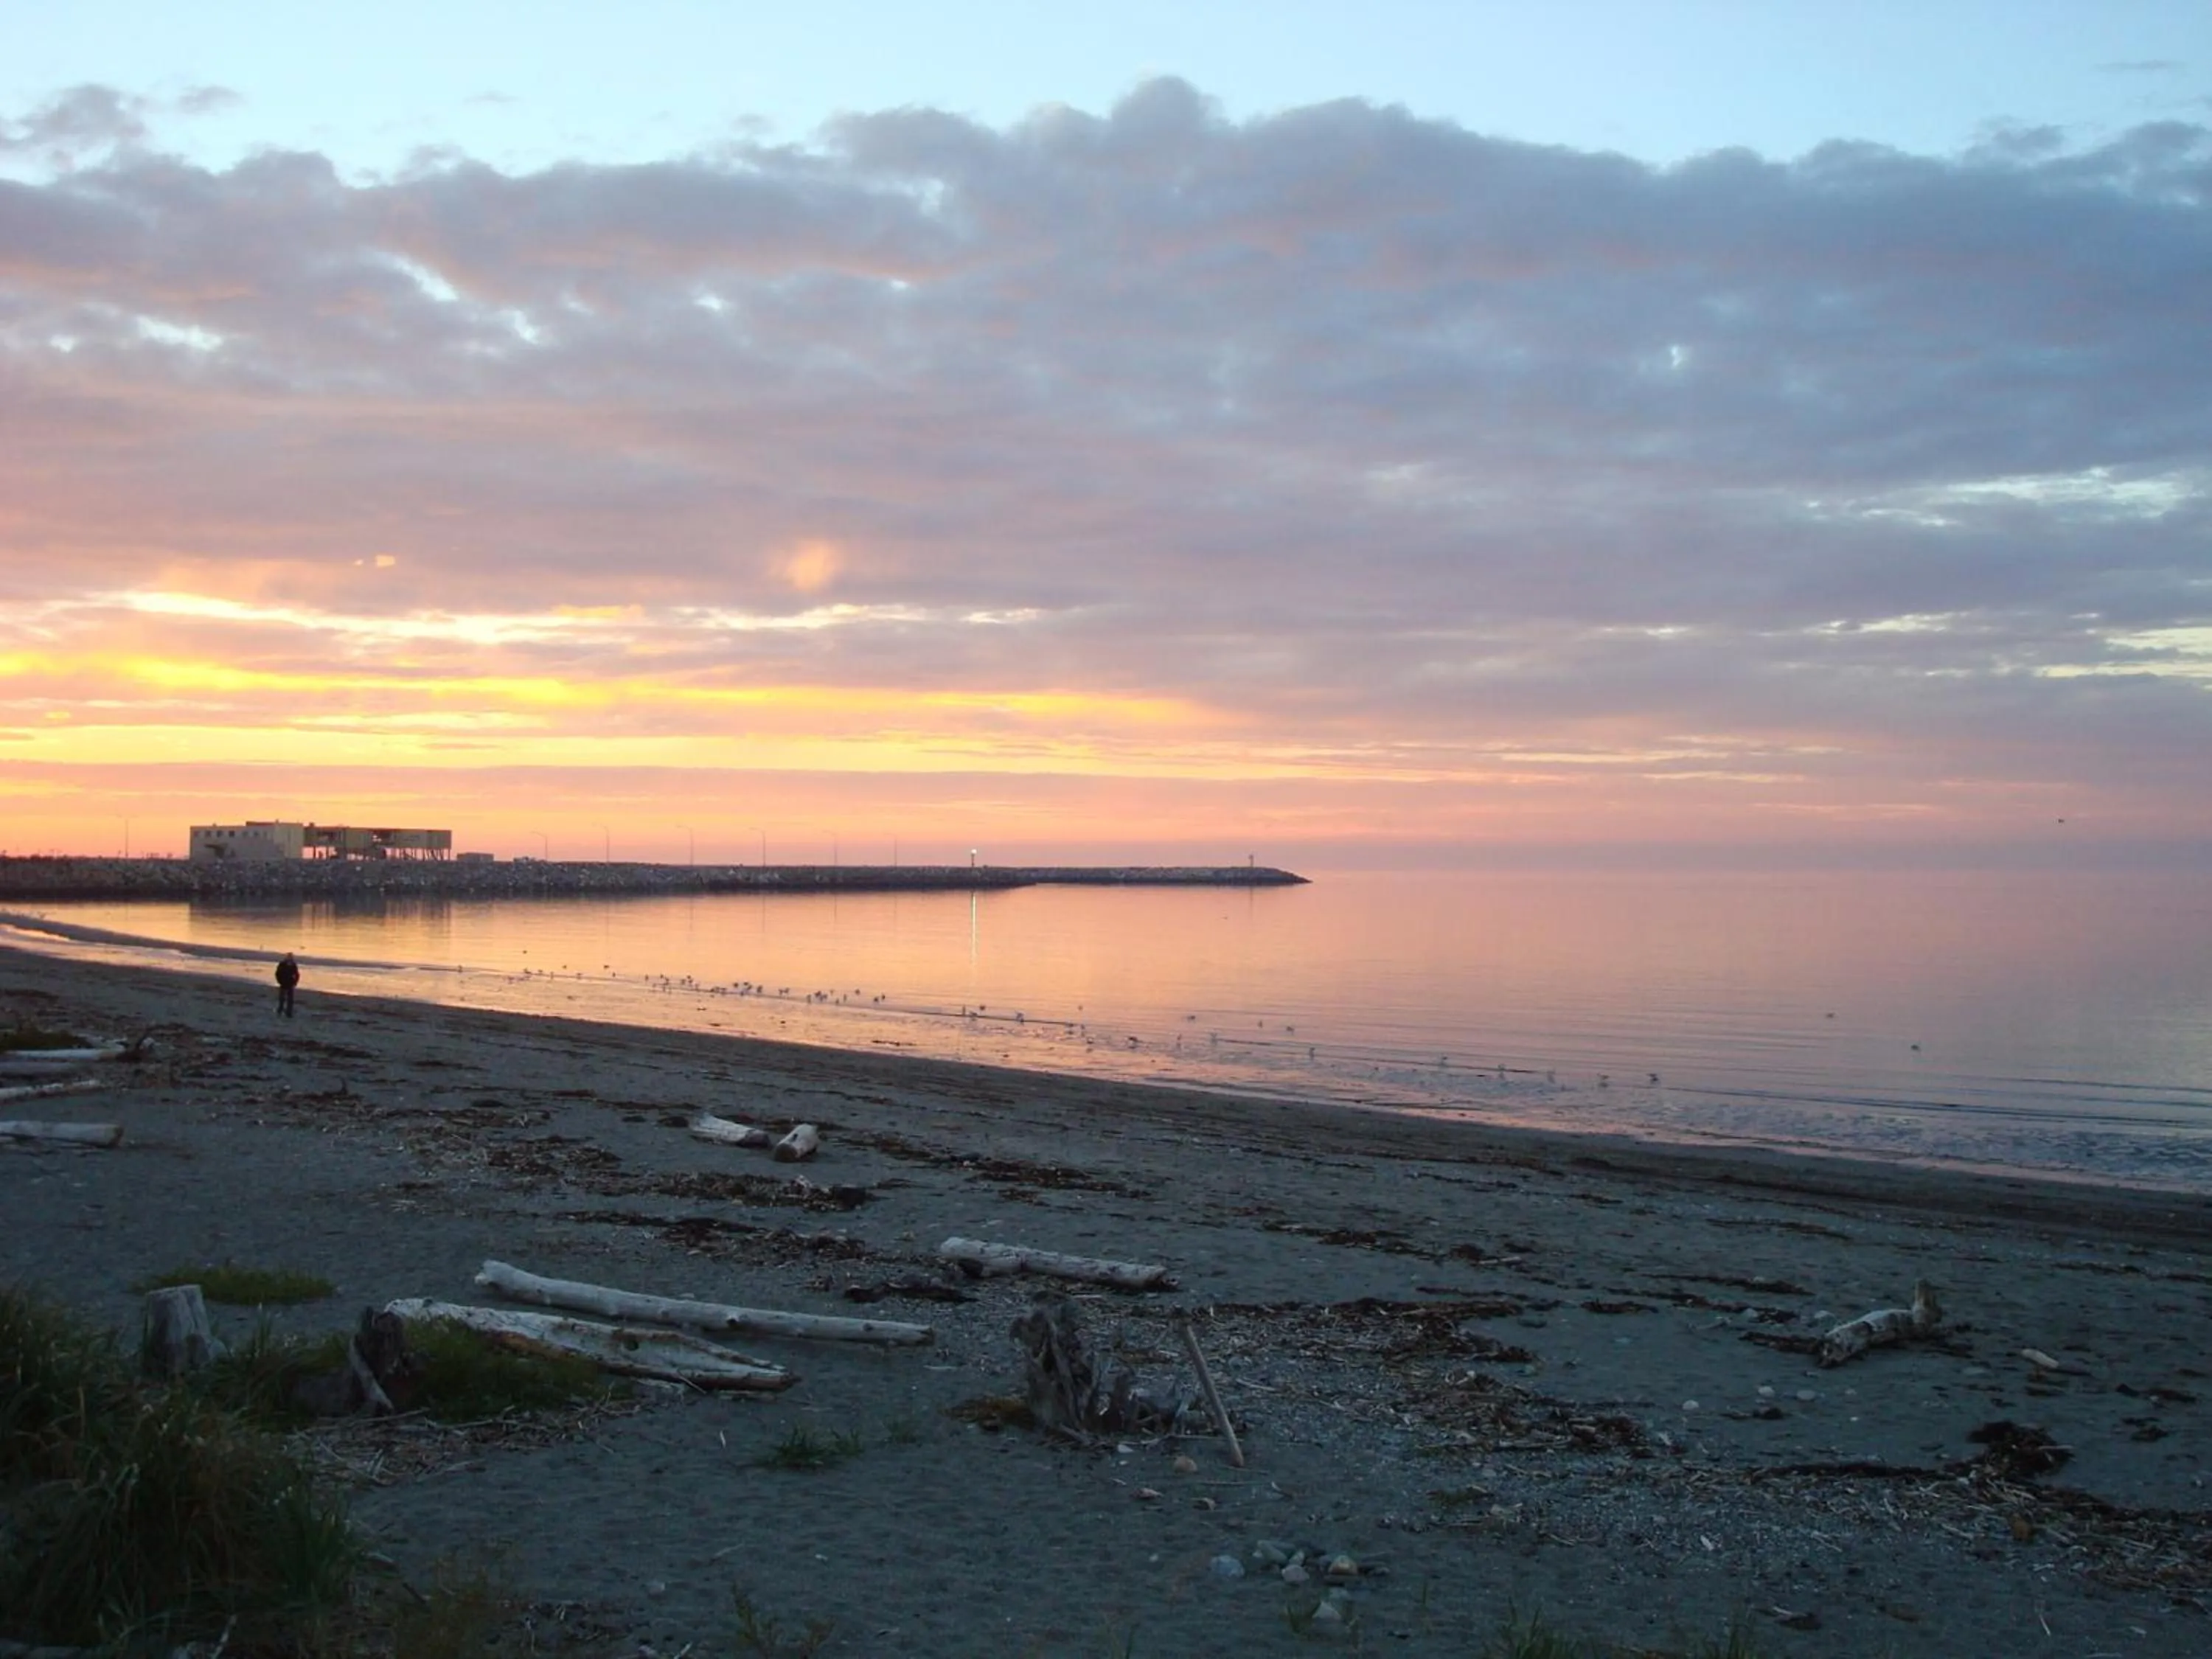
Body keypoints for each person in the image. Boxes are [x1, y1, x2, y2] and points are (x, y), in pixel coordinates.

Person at [275, 952, 301, 1018]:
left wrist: (295, 982)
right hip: (283, 983)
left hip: (290, 983)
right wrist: (279, 981)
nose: (290, 958)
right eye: (289, 957)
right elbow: (278, 973)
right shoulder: (282, 964)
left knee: (290, 1000)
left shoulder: (293, 965)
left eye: (291, 957)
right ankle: (280, 1010)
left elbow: (297, 974)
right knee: (282, 999)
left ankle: (289, 1013)